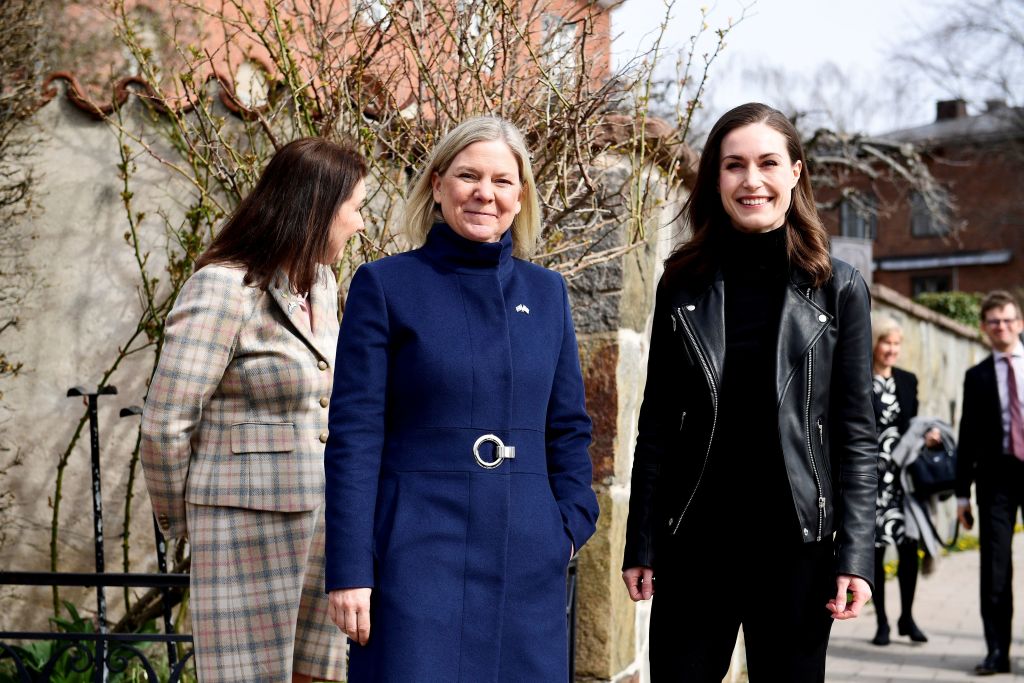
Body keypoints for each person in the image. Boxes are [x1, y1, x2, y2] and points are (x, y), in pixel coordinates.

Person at [323, 115, 600, 682]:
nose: (485, 193)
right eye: (468, 175)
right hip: (415, 553)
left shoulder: (546, 294)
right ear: (437, 185)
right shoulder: (384, 285)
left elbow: (568, 426)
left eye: (502, 181)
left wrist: (569, 525)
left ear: (520, 198)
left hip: (526, 553)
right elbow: (355, 436)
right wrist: (350, 568)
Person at [621, 102, 877, 682]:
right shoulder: (683, 282)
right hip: (696, 544)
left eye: (767, 163)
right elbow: (657, 421)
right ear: (716, 179)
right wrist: (641, 541)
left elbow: (856, 434)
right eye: (734, 165)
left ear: (796, 172)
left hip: (797, 550)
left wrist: (856, 557)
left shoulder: (838, 288)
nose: (752, 180)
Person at [140, 138, 367, 682]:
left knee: (317, 676)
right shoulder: (223, 288)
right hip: (243, 529)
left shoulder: (323, 285)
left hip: (322, 528)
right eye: (354, 209)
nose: (359, 224)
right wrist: (186, 518)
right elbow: (166, 422)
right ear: (316, 209)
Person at [955, 289, 1024, 676]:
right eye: (994, 321)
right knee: (995, 569)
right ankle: (997, 650)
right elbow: (967, 436)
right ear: (984, 328)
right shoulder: (976, 375)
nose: (1002, 326)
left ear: (1020, 323)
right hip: (995, 481)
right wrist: (962, 496)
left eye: (1008, 319)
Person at [869, 316, 942, 646]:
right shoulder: (856, 378)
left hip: (903, 481)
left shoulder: (908, 381)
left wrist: (929, 437)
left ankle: (907, 618)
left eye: (897, 344)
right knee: (875, 552)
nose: (892, 350)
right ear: (873, 344)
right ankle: (881, 622)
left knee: (908, 549)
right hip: (870, 480)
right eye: (886, 342)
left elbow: (912, 425)